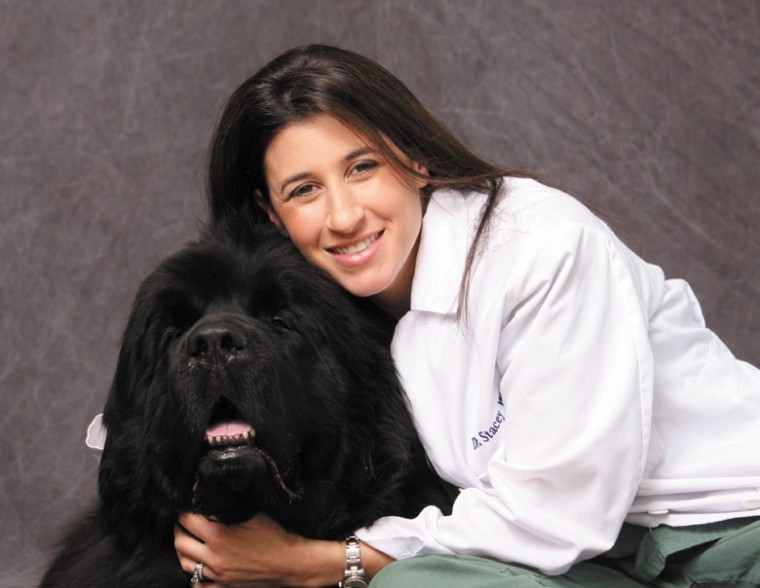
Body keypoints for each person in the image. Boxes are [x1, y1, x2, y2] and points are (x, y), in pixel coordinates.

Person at [172, 44, 760, 587]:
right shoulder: (332, 303)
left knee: (413, 583)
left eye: (362, 168)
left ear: (416, 160)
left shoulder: (542, 248)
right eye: (304, 190)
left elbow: (557, 515)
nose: (344, 216)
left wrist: (320, 563)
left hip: (725, 530)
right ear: (270, 214)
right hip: (597, 560)